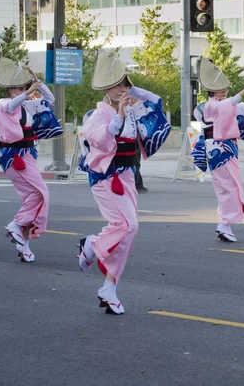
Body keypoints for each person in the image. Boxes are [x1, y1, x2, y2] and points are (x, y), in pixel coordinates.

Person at [77, 52, 171, 314]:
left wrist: (132, 91)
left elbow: (157, 102)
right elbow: (101, 140)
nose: (121, 90)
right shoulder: (97, 115)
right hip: (106, 176)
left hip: (126, 175)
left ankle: (109, 288)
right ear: (106, 90)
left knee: (129, 231)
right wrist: (118, 113)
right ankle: (92, 245)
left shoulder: (131, 109)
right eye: (116, 85)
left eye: (124, 84)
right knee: (126, 225)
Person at [0, 58, 62, 262]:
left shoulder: (27, 106)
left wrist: (36, 79)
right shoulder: (3, 103)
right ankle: (15, 225)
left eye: (22, 86)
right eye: (18, 87)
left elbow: (50, 99)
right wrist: (28, 90)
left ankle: (24, 245)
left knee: (30, 200)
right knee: (41, 193)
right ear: (9, 89)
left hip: (28, 156)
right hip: (15, 157)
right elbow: (13, 103)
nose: (21, 90)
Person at [195, 58, 244, 242]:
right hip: (217, 151)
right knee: (226, 187)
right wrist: (242, 92)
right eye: (220, 89)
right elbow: (222, 108)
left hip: (229, 148)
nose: (224, 92)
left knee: (232, 186)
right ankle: (224, 224)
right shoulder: (206, 107)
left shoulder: (227, 105)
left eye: (225, 89)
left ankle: (225, 224)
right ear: (211, 89)